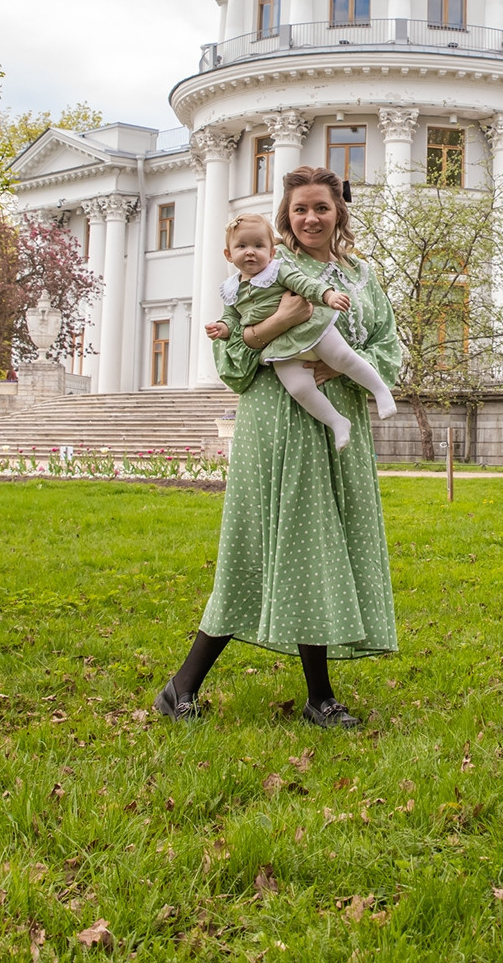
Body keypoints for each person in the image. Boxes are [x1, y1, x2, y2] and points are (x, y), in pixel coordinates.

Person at [155, 166, 403, 729]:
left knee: (317, 551)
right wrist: (275, 325)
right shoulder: (263, 270)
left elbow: (388, 345)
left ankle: (305, 696)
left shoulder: (361, 277)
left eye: (321, 207)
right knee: (263, 549)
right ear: (285, 216)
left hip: (339, 422)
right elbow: (234, 369)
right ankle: (189, 687)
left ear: (338, 210)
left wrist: (333, 372)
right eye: (299, 209)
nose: (310, 218)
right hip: (277, 424)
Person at [203, 212, 396, 454]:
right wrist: (223, 328)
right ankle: (337, 421)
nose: (250, 252)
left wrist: (329, 295)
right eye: (242, 246)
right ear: (229, 254)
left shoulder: (277, 270)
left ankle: (380, 390)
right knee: (299, 387)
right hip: (282, 345)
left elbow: (306, 284)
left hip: (311, 326)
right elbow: (233, 318)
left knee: (342, 356)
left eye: (258, 246)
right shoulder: (231, 288)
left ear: (271, 252)